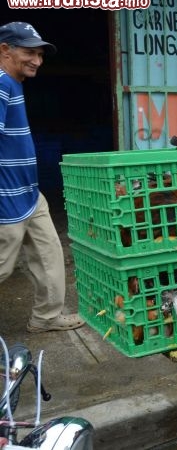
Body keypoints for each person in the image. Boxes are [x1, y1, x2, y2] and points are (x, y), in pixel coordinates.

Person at [0, 21, 85, 333]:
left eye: (39, 54)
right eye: (29, 53)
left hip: (28, 192)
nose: (37, 60)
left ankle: (46, 317)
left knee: (49, 251)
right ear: (4, 49)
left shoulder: (12, 83)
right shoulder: (0, 83)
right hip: (6, 196)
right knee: (3, 265)